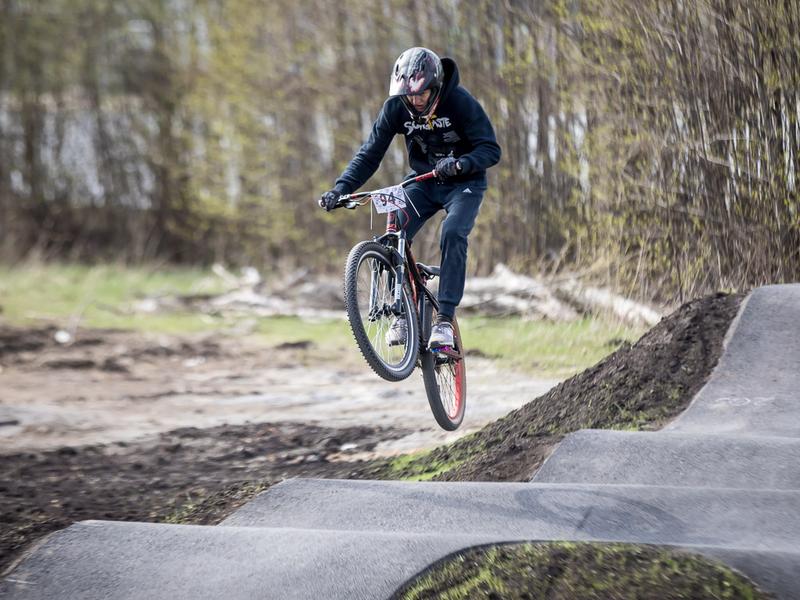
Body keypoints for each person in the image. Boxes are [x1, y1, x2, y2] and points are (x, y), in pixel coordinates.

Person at [319, 47, 501, 349]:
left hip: (463, 183)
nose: (414, 102)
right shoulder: (396, 108)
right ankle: (401, 314)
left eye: (420, 95)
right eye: (408, 96)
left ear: (435, 88)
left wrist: (461, 163)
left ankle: (444, 320)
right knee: (392, 235)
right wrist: (341, 189)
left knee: (453, 231)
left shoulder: (459, 102)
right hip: (423, 181)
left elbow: (491, 150)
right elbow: (370, 154)